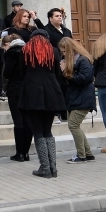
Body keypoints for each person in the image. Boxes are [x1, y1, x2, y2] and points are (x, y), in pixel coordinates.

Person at [18, 29, 65, 178]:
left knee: (37, 130)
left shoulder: (25, 50)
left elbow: (21, 73)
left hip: (32, 92)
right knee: (48, 130)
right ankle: (53, 167)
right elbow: (58, 73)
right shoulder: (54, 51)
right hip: (52, 91)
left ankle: (44, 167)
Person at [58, 38, 96, 164]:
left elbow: (84, 79)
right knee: (75, 126)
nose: (63, 54)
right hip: (75, 98)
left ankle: (81, 155)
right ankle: (88, 154)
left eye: (64, 51)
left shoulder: (83, 60)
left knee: (73, 125)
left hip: (83, 98)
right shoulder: (75, 61)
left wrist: (66, 72)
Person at [2, 34, 31, 162]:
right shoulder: (29, 51)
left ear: (8, 44)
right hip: (28, 89)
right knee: (28, 121)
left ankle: (19, 153)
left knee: (18, 121)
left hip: (15, 89)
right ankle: (26, 153)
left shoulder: (11, 53)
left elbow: (6, 73)